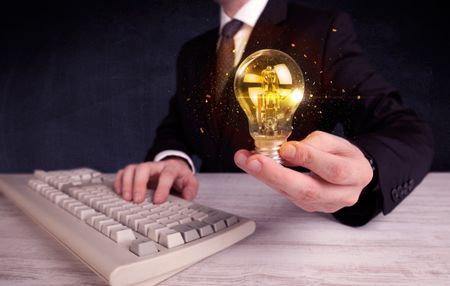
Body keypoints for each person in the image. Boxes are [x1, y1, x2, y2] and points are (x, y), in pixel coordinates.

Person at [114, 0, 433, 226]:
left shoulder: (320, 32)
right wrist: (172, 159)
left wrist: (368, 170)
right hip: (204, 217)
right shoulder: (193, 52)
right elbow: (178, 126)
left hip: (291, 222)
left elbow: (405, 130)